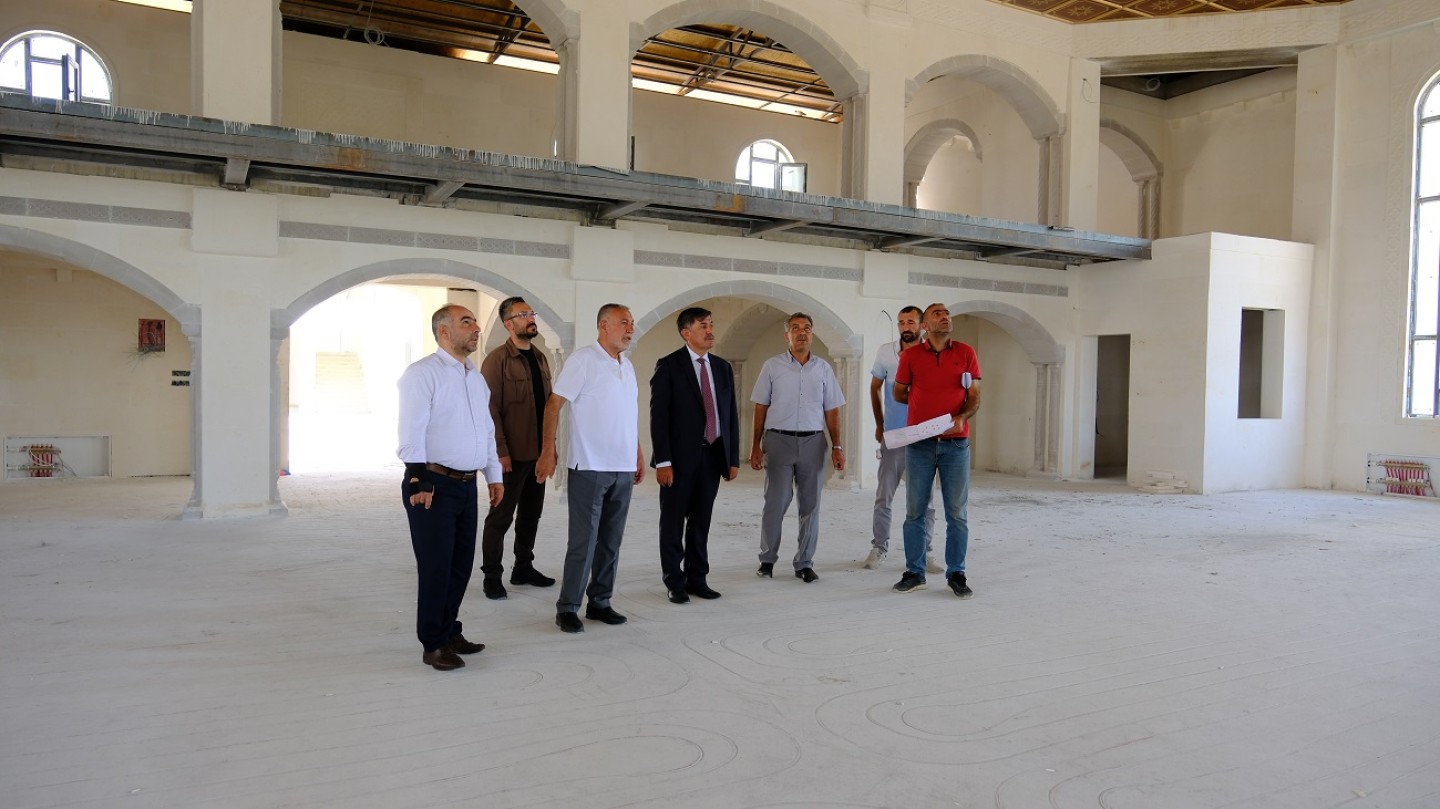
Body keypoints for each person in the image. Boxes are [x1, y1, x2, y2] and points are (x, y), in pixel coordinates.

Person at [397, 304, 505, 671]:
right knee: (436, 568)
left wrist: (493, 475)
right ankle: (433, 644)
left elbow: (486, 431)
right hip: (432, 484)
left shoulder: (475, 378)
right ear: (444, 332)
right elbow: (411, 428)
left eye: (475, 321)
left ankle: (449, 630)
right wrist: (418, 478)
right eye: (466, 322)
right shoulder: (422, 374)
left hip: (466, 485)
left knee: (460, 567)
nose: (476, 328)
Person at [537, 303, 646, 633]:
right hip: (590, 465)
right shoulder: (583, 360)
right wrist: (548, 450)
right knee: (583, 541)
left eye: (632, 323)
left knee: (611, 541)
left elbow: (627, 414)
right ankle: (568, 606)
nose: (630, 329)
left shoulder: (627, 365)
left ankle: (600, 601)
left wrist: (637, 453)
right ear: (603, 326)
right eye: (624, 322)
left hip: (622, 466)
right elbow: (554, 404)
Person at [650, 307, 741, 604]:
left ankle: (697, 578)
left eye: (711, 324)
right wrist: (663, 461)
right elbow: (658, 418)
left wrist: (732, 457)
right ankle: (674, 581)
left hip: (713, 455)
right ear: (686, 332)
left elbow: (730, 415)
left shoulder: (722, 367)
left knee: (701, 521)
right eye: (703, 326)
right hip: (677, 460)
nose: (710, 330)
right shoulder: (668, 366)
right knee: (673, 522)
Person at [890, 303, 981, 598]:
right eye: (937, 314)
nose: (945, 317)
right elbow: (898, 392)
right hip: (920, 444)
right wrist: (924, 408)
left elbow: (975, 396)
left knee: (957, 513)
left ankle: (957, 574)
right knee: (914, 511)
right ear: (925, 325)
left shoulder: (966, 352)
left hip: (956, 444)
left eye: (946, 314)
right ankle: (915, 572)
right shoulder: (911, 356)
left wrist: (961, 418)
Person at [749, 312, 846, 583]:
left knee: (810, 505)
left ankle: (804, 562)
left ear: (812, 335)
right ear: (787, 335)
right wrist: (755, 445)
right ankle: (767, 560)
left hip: (814, 442)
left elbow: (832, 410)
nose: (802, 332)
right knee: (775, 502)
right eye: (795, 328)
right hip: (778, 441)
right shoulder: (772, 366)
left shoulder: (823, 369)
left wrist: (837, 446)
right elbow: (760, 407)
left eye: (807, 328)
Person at [478, 296, 555, 600]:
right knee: (500, 517)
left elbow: (549, 408)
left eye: (531, 313)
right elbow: (490, 410)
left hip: (537, 455)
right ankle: (492, 576)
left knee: (531, 515)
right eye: (523, 314)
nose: (531, 318)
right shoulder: (496, 360)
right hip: (510, 455)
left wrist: (549, 449)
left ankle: (523, 567)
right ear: (508, 324)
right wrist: (500, 453)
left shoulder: (541, 358)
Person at [866, 306, 938, 572]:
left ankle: (925, 552)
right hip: (895, 435)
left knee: (926, 500)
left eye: (911, 322)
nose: (905, 327)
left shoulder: (933, 353)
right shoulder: (886, 352)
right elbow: (874, 387)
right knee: (884, 495)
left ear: (922, 326)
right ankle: (879, 547)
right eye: (901, 322)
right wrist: (879, 424)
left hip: (925, 436)